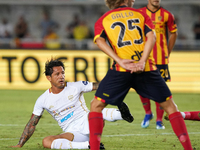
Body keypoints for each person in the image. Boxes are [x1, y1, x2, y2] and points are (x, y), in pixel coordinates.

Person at [89, 0, 193, 150]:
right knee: (170, 107)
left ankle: (94, 148)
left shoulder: (104, 19)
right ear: (126, 0)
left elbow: (99, 41)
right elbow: (152, 37)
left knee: (96, 105)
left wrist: (119, 60)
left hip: (121, 70)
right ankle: (189, 148)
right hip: (147, 68)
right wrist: (142, 61)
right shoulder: (140, 14)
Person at [11, 58, 133, 149]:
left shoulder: (76, 86)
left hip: (88, 121)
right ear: (49, 78)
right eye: (57, 74)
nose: (61, 76)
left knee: (96, 107)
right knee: (46, 141)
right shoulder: (42, 99)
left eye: (63, 73)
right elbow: (32, 123)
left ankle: (122, 114)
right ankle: (87, 145)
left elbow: (98, 86)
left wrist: (118, 81)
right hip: (73, 133)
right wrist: (20, 144)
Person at [137, 0, 178, 130]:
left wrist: (168, 52)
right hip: (144, 58)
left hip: (160, 60)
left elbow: (173, 33)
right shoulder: (140, 13)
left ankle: (159, 120)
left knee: (159, 89)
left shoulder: (167, 15)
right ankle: (148, 113)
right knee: (141, 86)